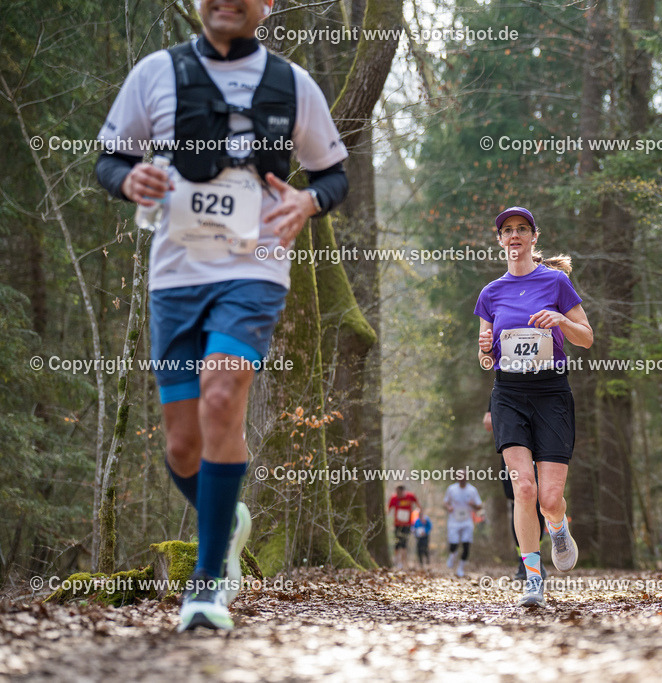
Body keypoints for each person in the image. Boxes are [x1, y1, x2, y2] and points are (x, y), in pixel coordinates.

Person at [95, 0, 348, 632]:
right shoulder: (155, 72)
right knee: (182, 445)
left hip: (256, 265)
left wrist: (309, 202)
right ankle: (226, 518)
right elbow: (108, 159)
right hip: (176, 274)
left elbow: (333, 172)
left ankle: (205, 590)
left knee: (221, 395)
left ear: (266, 5)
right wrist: (128, 182)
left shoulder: (293, 83)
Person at [474, 207, 593, 607]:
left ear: (534, 238)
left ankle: (558, 526)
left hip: (551, 392)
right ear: (500, 241)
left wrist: (560, 320)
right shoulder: (490, 293)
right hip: (508, 394)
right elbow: (487, 356)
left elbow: (587, 338)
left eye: (522, 229)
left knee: (548, 497)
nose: (514, 235)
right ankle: (532, 578)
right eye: (507, 230)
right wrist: (486, 352)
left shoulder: (556, 282)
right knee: (523, 487)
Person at [484, 410, 546, 581]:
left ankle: (536, 559)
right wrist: (491, 413)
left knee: (539, 501)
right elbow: (488, 422)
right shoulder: (502, 386)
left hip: (539, 444)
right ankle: (524, 560)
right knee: (518, 499)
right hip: (513, 442)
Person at [443, 470, 483, 578]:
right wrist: (448, 507)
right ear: (457, 477)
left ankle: (461, 568)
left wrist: (473, 504)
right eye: (459, 476)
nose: (461, 478)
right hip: (454, 520)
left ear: (466, 477)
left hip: (467, 521)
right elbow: (445, 502)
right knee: (454, 544)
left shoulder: (472, 490)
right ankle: (452, 556)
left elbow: (479, 506)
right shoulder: (451, 489)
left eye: (463, 476)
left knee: (466, 545)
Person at [387, 485, 420, 569]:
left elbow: (418, 505)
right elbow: (388, 509)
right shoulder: (394, 498)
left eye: (399, 492)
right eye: (396, 492)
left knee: (404, 543)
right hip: (397, 524)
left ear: (403, 491)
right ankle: (397, 561)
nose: (398, 494)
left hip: (407, 524)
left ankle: (404, 562)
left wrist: (419, 515)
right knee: (397, 543)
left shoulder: (410, 496)